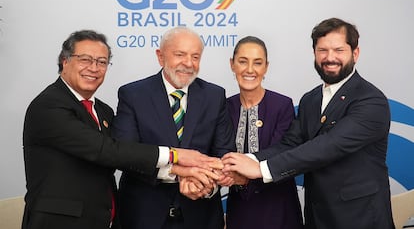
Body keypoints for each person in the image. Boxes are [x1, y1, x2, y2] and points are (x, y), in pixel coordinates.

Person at [22, 30, 222, 229]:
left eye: (102, 62)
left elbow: (121, 156)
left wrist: (188, 174)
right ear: (65, 61)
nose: (94, 68)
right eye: (85, 59)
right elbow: (107, 150)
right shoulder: (48, 106)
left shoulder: (102, 110)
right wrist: (175, 156)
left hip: (102, 219)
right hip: (60, 222)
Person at [222, 18, 395, 229]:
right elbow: (290, 144)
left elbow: (328, 146)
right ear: (314, 53)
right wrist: (244, 160)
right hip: (317, 218)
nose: (330, 58)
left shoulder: (371, 101)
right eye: (323, 50)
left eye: (338, 50)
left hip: (359, 220)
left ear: (355, 53)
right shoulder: (310, 100)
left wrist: (261, 169)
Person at [112, 26, 235, 229]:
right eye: (180, 55)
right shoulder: (133, 95)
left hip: (201, 216)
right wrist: (177, 172)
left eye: (195, 57)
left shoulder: (214, 96)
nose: (188, 63)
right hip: (143, 217)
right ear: (160, 57)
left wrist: (206, 185)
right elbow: (125, 154)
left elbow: (224, 154)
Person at [225, 36, 303, 229]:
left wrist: (246, 165)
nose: (250, 70)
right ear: (232, 65)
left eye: (257, 63)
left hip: (278, 208)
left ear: (266, 67)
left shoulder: (282, 105)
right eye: (243, 61)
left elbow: (284, 152)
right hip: (240, 209)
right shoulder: (224, 107)